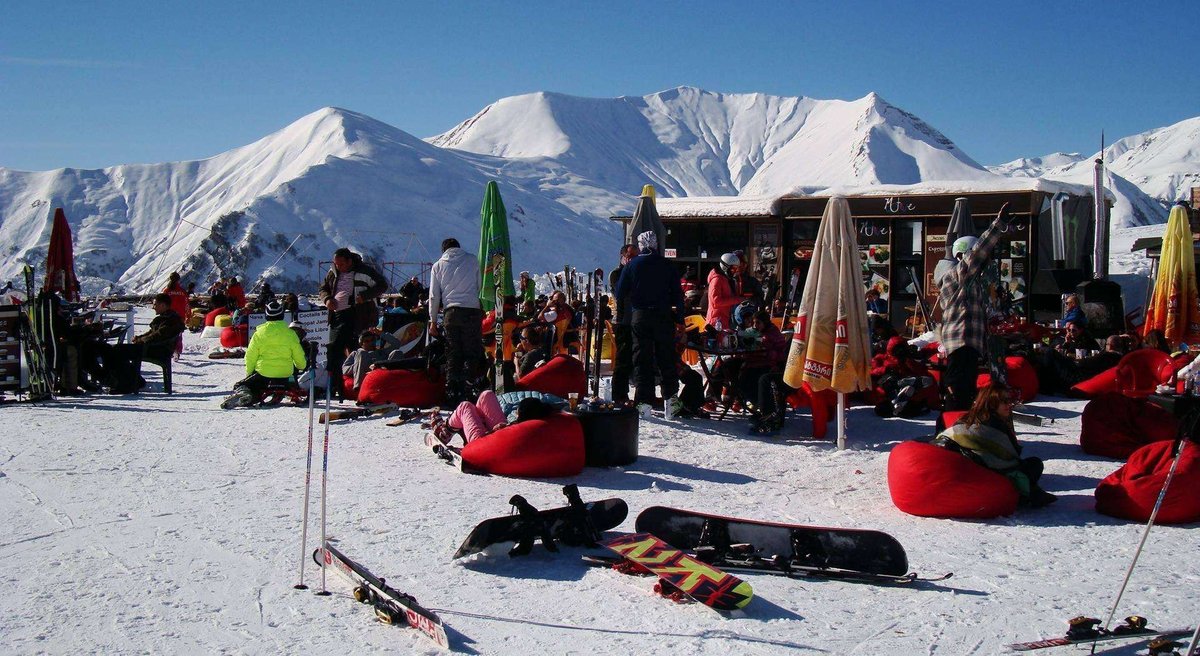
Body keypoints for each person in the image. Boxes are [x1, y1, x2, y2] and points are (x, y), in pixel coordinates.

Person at [937, 203, 1012, 410]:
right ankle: (951, 433)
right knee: (959, 393)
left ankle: (957, 430)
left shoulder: (969, 282)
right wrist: (999, 224)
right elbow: (980, 251)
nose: (986, 261)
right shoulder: (959, 273)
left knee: (964, 391)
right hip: (962, 342)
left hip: (967, 343)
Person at [933, 385, 1057, 507]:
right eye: (1005, 401)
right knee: (1034, 464)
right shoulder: (994, 423)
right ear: (992, 403)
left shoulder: (967, 418)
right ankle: (1021, 494)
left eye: (1010, 400)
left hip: (968, 468)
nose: (1010, 405)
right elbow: (1011, 456)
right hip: (985, 472)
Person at [616, 230, 685, 412]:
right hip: (663, 316)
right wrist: (680, 320)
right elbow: (678, 296)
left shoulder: (633, 265)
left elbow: (619, 292)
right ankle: (671, 402)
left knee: (642, 359)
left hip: (640, 316)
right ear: (656, 244)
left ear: (640, 245)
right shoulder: (667, 265)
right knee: (666, 359)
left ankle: (643, 403)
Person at [318, 247, 388, 398]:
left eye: (342, 264)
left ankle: (360, 387)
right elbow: (323, 288)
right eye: (336, 264)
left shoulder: (365, 271)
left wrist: (365, 296)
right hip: (337, 316)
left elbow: (382, 285)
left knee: (358, 351)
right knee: (335, 350)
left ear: (349, 261)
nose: (339, 267)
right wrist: (327, 299)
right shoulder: (333, 272)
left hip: (359, 315)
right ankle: (336, 386)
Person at [222, 300, 307, 408]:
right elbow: (299, 357)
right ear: (281, 315)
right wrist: (301, 366)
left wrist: (250, 373)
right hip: (286, 374)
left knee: (242, 385)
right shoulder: (290, 334)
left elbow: (250, 356)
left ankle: (249, 396)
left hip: (264, 374)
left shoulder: (259, 334)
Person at [427, 238, 482, 404]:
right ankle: (469, 387)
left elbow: (434, 296)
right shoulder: (473, 260)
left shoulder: (437, 266)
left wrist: (433, 320)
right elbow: (480, 285)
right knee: (471, 351)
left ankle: (452, 390)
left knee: (453, 352)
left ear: (443, 250)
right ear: (459, 247)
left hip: (451, 312)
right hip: (472, 311)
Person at [98, 293, 185, 394]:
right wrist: (139, 338)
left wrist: (141, 341)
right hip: (154, 347)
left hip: (158, 350)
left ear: (163, 305)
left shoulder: (171, 320)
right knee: (115, 349)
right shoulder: (167, 318)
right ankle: (132, 380)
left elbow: (158, 336)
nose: (153, 307)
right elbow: (152, 333)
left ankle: (126, 384)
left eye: (155, 305)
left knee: (117, 351)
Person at [738, 310, 790, 433]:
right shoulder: (754, 332)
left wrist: (767, 351)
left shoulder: (773, 333)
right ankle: (758, 405)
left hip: (771, 366)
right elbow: (743, 336)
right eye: (753, 323)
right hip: (755, 363)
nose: (755, 325)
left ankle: (766, 411)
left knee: (755, 379)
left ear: (765, 322)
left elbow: (781, 353)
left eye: (758, 323)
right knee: (738, 374)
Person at [608, 244, 638, 403]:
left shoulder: (637, 272)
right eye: (630, 256)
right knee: (623, 359)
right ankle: (619, 394)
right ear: (622, 257)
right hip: (622, 321)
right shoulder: (617, 274)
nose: (633, 259)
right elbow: (622, 293)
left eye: (636, 256)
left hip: (636, 321)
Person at [706, 253, 743, 332]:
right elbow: (716, 301)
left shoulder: (726, 279)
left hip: (723, 319)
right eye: (733, 269)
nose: (735, 271)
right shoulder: (717, 280)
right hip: (716, 321)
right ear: (725, 267)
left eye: (736, 269)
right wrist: (737, 300)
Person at [163, 272, 189, 361]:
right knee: (178, 335)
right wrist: (188, 315)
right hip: (180, 316)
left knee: (167, 333)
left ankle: (169, 350)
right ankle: (177, 350)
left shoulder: (166, 291)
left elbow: (162, 304)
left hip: (168, 315)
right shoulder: (182, 291)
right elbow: (187, 304)